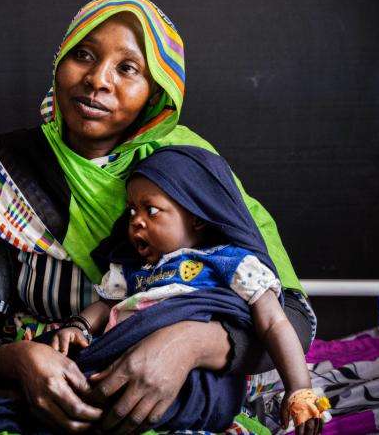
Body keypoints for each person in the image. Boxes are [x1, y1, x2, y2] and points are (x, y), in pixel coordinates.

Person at [0, 0, 317, 434]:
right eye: (83, 55)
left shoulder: (188, 172)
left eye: (127, 68)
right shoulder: (2, 172)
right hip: (45, 389)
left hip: (173, 396)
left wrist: (188, 343)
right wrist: (21, 360)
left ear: (156, 92)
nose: (97, 80)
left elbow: (290, 320)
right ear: (59, 64)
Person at [51, 146, 329, 433]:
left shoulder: (229, 263)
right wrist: (80, 325)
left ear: (196, 216)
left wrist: (299, 390)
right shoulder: (134, 270)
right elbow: (107, 304)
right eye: (132, 210)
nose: (136, 220)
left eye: (152, 210)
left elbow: (274, 323)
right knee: (65, 381)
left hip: (196, 381)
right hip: (121, 361)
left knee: (95, 406)